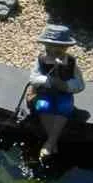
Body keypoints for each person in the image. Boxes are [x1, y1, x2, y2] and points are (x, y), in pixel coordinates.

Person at [15, 25, 85, 166]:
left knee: (64, 106)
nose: (53, 52)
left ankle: (49, 142)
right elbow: (33, 78)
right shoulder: (41, 60)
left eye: (58, 49)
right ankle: (52, 142)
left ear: (65, 48)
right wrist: (47, 81)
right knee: (43, 106)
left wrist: (67, 86)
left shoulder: (71, 62)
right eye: (50, 48)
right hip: (45, 93)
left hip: (63, 94)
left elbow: (80, 84)